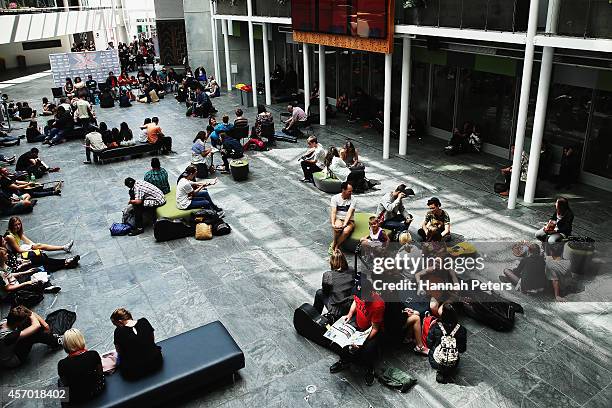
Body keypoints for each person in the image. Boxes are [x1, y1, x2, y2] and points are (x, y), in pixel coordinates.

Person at [329, 278, 383, 386]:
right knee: (340, 340)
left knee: (368, 350)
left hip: (370, 329)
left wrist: (362, 341)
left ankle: (369, 369)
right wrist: (350, 314)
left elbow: (375, 328)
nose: (360, 298)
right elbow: (355, 301)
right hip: (357, 322)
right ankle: (344, 361)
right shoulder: (358, 294)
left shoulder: (378, 305)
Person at [110, 308, 163, 380]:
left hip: (134, 372)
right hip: (156, 363)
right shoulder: (144, 321)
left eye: (116, 325)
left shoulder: (118, 332)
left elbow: (119, 352)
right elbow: (152, 340)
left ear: (120, 321)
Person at [57, 329, 105, 403]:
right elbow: (100, 374)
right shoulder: (93, 354)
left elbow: (65, 383)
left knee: (60, 384)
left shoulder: (62, 364)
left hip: (76, 398)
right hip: (97, 391)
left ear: (65, 345)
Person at [426, 303, 467, 383]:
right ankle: (448, 370)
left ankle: (440, 371)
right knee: (451, 362)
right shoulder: (461, 329)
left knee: (433, 351)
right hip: (453, 363)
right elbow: (462, 349)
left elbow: (429, 344)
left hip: (435, 362)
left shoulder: (436, 327)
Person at [313, 250, 355, 320]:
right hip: (351, 305)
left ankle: (315, 317)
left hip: (338, 310)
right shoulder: (351, 270)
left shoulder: (328, 275)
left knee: (319, 293)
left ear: (332, 262)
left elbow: (326, 292)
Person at [329, 182, 356, 255]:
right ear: (343, 190)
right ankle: (334, 242)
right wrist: (332, 223)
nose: (351, 193)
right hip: (338, 218)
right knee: (337, 228)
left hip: (350, 220)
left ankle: (337, 245)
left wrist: (345, 224)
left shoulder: (353, 199)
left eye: (351, 191)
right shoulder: (335, 198)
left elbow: (349, 213)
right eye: (349, 191)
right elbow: (333, 212)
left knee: (346, 231)